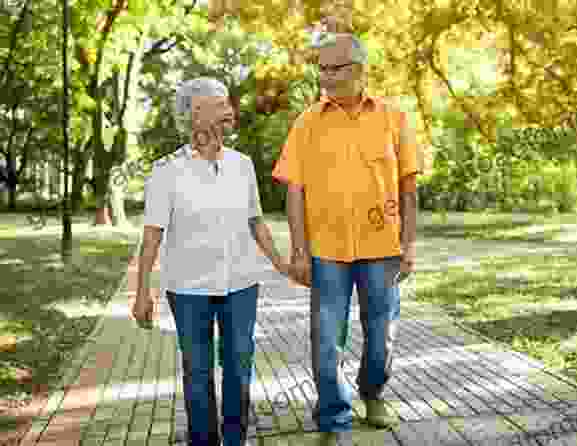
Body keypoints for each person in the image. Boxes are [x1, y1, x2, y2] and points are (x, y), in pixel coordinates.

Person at [272, 33, 422, 445]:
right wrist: (298, 250)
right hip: (326, 251)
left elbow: (408, 187)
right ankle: (333, 418)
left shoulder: (394, 118)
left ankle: (372, 391)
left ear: (358, 70)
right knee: (326, 338)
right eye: (321, 68)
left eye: (333, 68)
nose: (325, 76)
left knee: (380, 337)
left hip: (382, 248)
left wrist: (409, 244)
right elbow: (294, 190)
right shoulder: (307, 123)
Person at [133, 77, 291, 446]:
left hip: (241, 283)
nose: (229, 111)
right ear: (194, 114)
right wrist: (142, 292)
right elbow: (152, 236)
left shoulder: (242, 165)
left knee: (239, 366)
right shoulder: (166, 171)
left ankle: (235, 439)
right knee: (198, 371)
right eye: (219, 105)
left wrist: (281, 264)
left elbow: (256, 222)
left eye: (228, 104)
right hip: (189, 289)